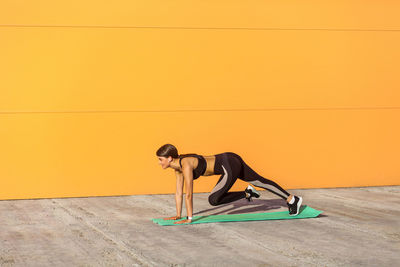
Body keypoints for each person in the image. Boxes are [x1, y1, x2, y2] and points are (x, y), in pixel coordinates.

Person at [156, 144, 302, 224]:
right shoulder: (177, 169)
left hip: (228, 164)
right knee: (259, 181)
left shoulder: (185, 164)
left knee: (213, 199)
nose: (159, 162)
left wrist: (189, 219)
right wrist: (177, 215)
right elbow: (178, 193)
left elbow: (188, 194)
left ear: (169, 158)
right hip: (229, 159)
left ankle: (250, 193)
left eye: (160, 159)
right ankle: (292, 199)